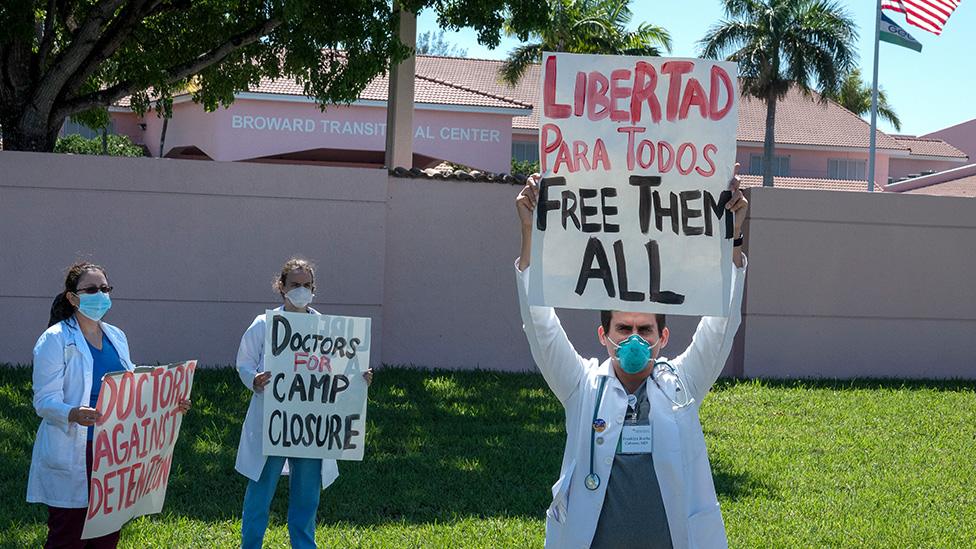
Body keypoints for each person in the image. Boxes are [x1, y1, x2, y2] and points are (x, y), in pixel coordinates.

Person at [514, 170, 749, 549]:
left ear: (663, 338)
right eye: (624, 329)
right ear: (603, 336)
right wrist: (530, 233)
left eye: (646, 330)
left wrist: (732, 236)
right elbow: (540, 325)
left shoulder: (682, 385)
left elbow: (722, 323)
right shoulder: (581, 386)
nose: (635, 339)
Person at [27, 261, 190, 548]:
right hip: (74, 449)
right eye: (92, 289)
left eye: (105, 288)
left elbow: (132, 382)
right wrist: (72, 413)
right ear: (72, 297)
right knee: (68, 533)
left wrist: (169, 401)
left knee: (107, 531)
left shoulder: (116, 336)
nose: (101, 295)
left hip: (114, 452)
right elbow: (43, 401)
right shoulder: (55, 339)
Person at [235, 257, 373, 549]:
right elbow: (244, 363)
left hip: (310, 428)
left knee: (307, 497)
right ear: (281, 288)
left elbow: (340, 371)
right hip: (273, 422)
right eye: (295, 284)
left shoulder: (328, 328)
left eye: (306, 285)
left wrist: (360, 379)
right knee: (260, 494)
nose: (301, 289)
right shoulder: (263, 325)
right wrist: (254, 379)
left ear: (314, 288)